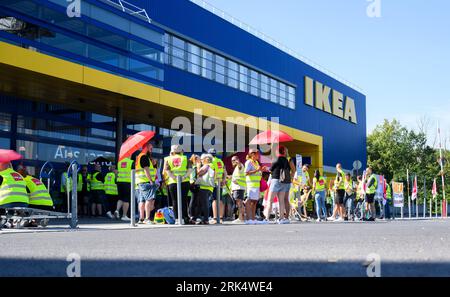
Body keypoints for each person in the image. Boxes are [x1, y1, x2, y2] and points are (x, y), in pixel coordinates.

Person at [265, 145, 294, 224]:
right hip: (283, 181)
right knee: (281, 201)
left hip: (275, 180)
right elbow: (289, 169)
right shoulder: (286, 160)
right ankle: (281, 219)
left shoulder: (276, 159)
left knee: (270, 200)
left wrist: (267, 168)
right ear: (284, 151)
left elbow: (271, 169)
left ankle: (267, 218)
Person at [164, 145, 192, 224]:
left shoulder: (168, 159)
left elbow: (167, 170)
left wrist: (174, 177)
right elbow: (190, 169)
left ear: (172, 151)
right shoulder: (186, 158)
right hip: (185, 182)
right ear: (181, 151)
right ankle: (184, 218)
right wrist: (184, 177)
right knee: (184, 200)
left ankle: (177, 219)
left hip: (173, 182)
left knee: (174, 201)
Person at [135, 142, 158, 224]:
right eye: (151, 147)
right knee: (149, 199)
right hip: (145, 181)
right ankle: (147, 218)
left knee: (141, 201)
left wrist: (154, 165)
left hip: (139, 182)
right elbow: (146, 169)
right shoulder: (144, 156)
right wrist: (151, 180)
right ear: (147, 146)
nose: (152, 149)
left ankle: (141, 219)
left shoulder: (139, 157)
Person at [244, 148, 266, 225]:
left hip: (256, 185)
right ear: (253, 154)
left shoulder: (256, 162)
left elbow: (257, 171)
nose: (259, 156)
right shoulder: (248, 162)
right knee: (250, 201)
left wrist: (261, 170)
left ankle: (252, 218)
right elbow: (246, 173)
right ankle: (248, 219)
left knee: (255, 202)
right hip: (251, 185)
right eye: (257, 154)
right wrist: (257, 170)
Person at [208, 148, 227, 224]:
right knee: (220, 200)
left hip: (214, 182)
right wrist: (223, 180)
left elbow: (213, 172)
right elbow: (224, 171)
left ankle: (215, 218)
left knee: (215, 200)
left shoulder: (211, 161)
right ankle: (221, 218)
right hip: (220, 182)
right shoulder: (219, 161)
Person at [195, 154, 215, 224]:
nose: (201, 161)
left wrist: (198, 167)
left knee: (204, 204)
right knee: (203, 203)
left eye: (202, 159)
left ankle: (205, 219)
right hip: (209, 187)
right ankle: (199, 218)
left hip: (205, 187)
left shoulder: (207, 165)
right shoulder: (212, 165)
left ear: (206, 159)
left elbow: (199, 173)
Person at [115, 157, 134, 221]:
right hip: (127, 182)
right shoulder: (131, 162)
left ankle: (117, 210)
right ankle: (124, 215)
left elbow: (117, 172)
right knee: (126, 200)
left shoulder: (119, 162)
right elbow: (134, 171)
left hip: (119, 181)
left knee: (121, 198)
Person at [231, 156, 246, 223]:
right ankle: (242, 218)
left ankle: (240, 218)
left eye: (234, 160)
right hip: (238, 188)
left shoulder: (240, 166)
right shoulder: (236, 168)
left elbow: (240, 166)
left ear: (238, 160)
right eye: (232, 160)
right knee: (239, 203)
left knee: (239, 203)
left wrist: (238, 163)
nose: (233, 162)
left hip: (239, 187)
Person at [188, 154, 201, 224]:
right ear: (196, 159)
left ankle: (192, 215)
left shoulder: (192, 166)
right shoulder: (195, 167)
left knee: (194, 200)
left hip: (192, 184)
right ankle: (192, 215)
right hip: (194, 184)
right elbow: (193, 176)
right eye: (199, 159)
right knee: (193, 200)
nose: (200, 160)